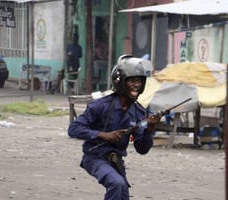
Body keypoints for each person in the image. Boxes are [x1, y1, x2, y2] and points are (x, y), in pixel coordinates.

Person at [68, 55, 161, 200]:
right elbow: (73, 129)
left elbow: (141, 149)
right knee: (117, 184)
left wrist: (150, 128)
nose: (135, 85)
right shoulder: (100, 106)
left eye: (138, 81)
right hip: (94, 157)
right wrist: (103, 135)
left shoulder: (139, 113)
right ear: (120, 82)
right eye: (131, 80)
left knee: (122, 193)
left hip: (116, 162)